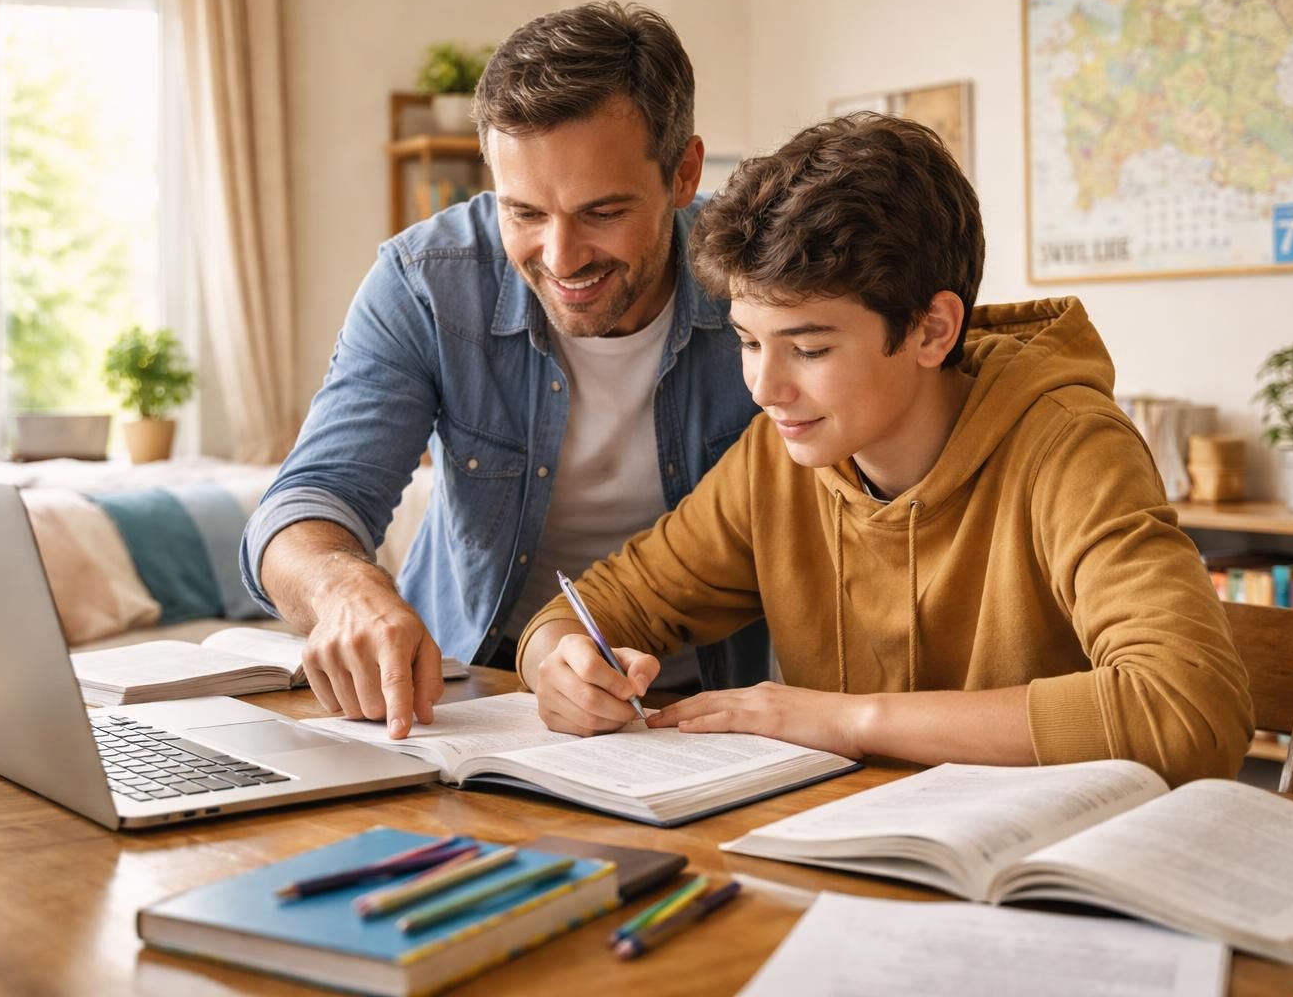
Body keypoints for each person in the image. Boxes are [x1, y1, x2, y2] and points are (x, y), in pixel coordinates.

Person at [517, 113, 1254, 786]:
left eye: (808, 348)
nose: (766, 388)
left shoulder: (1069, 447)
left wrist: (846, 720)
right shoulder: (780, 456)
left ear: (933, 330)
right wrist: (557, 662)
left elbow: (1189, 710)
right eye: (748, 342)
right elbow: (593, 610)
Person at [239, 3, 768, 740]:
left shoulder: (758, 280)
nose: (561, 257)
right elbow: (306, 503)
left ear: (683, 173)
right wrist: (344, 589)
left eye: (603, 211)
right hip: (479, 701)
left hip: (718, 708)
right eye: (523, 213)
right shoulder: (428, 281)